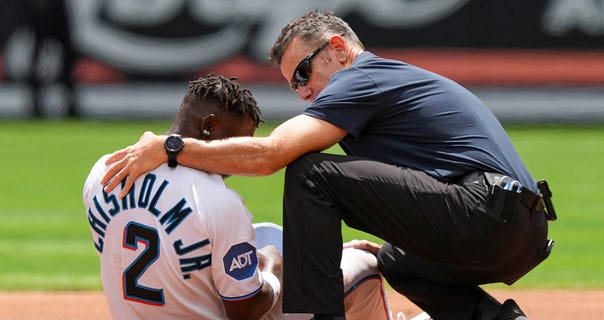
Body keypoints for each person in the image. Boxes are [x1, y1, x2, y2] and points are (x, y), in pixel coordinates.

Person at [100, 11, 556, 320]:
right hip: (514, 229)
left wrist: (171, 148)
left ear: (338, 48)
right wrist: (404, 235)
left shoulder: (362, 77)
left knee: (309, 172)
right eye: (292, 86)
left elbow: (273, 155)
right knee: (397, 263)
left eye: (303, 74)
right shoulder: (377, 89)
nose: (303, 93)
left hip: (489, 212)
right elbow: (415, 182)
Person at [85, 74, 392, 320]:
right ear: (208, 126)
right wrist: (273, 267)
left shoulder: (103, 172)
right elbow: (245, 310)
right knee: (362, 266)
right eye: (238, 143)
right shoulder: (220, 202)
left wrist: (315, 253)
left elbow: (180, 242)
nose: (238, 158)